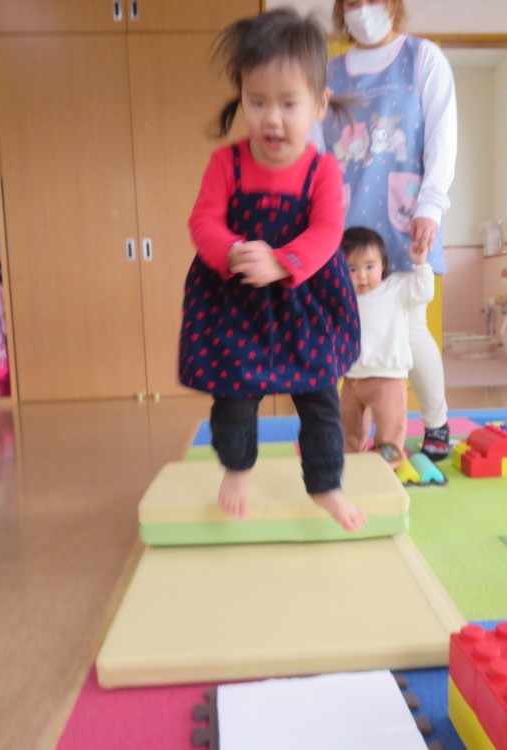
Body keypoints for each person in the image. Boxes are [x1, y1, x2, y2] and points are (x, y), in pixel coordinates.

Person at [178, 9, 365, 532]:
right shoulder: (227, 164)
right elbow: (203, 222)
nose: (272, 119)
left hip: (307, 303)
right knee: (234, 397)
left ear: (319, 104)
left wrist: (283, 262)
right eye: (257, 102)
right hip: (237, 302)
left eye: (288, 103)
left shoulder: (322, 169)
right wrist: (233, 251)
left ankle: (326, 485)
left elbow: (327, 232)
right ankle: (236, 471)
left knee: (320, 399)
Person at [321, 0, 457, 462]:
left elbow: (441, 138)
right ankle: (355, 431)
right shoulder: (329, 72)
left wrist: (432, 204)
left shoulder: (422, 57)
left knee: (411, 328)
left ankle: (436, 423)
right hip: (344, 225)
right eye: (352, 2)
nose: (362, 9)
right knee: (354, 331)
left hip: (405, 216)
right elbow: (316, 147)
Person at [340, 226, 433, 467]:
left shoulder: (395, 288)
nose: (361, 276)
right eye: (352, 269)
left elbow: (425, 292)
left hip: (388, 378)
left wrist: (421, 264)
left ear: (383, 265)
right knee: (348, 428)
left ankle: (387, 463)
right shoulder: (344, 296)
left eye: (370, 267)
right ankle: (350, 461)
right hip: (352, 378)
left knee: (390, 428)